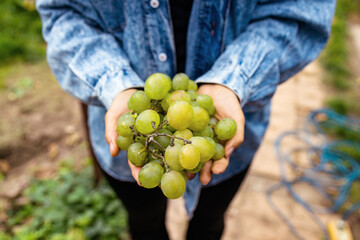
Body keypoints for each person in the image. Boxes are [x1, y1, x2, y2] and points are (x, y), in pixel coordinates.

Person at [36, 0, 336, 239]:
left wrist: (233, 79)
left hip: (229, 128)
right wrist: (114, 82)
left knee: (209, 224)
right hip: (126, 132)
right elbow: (63, 13)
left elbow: (298, 9)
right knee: (145, 226)